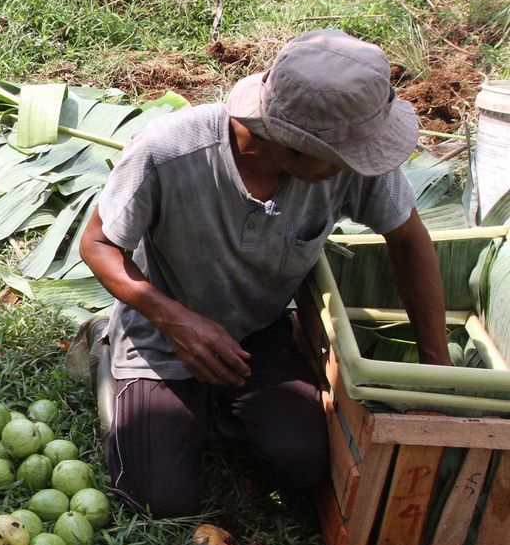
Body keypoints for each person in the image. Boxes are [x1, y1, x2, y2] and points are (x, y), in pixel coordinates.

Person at [78, 29, 451, 518]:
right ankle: (112, 361)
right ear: (292, 145)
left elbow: (408, 241)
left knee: (304, 463)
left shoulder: (349, 158)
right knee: (156, 501)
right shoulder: (168, 151)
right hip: (161, 332)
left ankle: (207, 411)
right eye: (340, 161)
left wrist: (436, 369)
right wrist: (171, 318)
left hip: (256, 330)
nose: (355, 168)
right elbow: (97, 243)